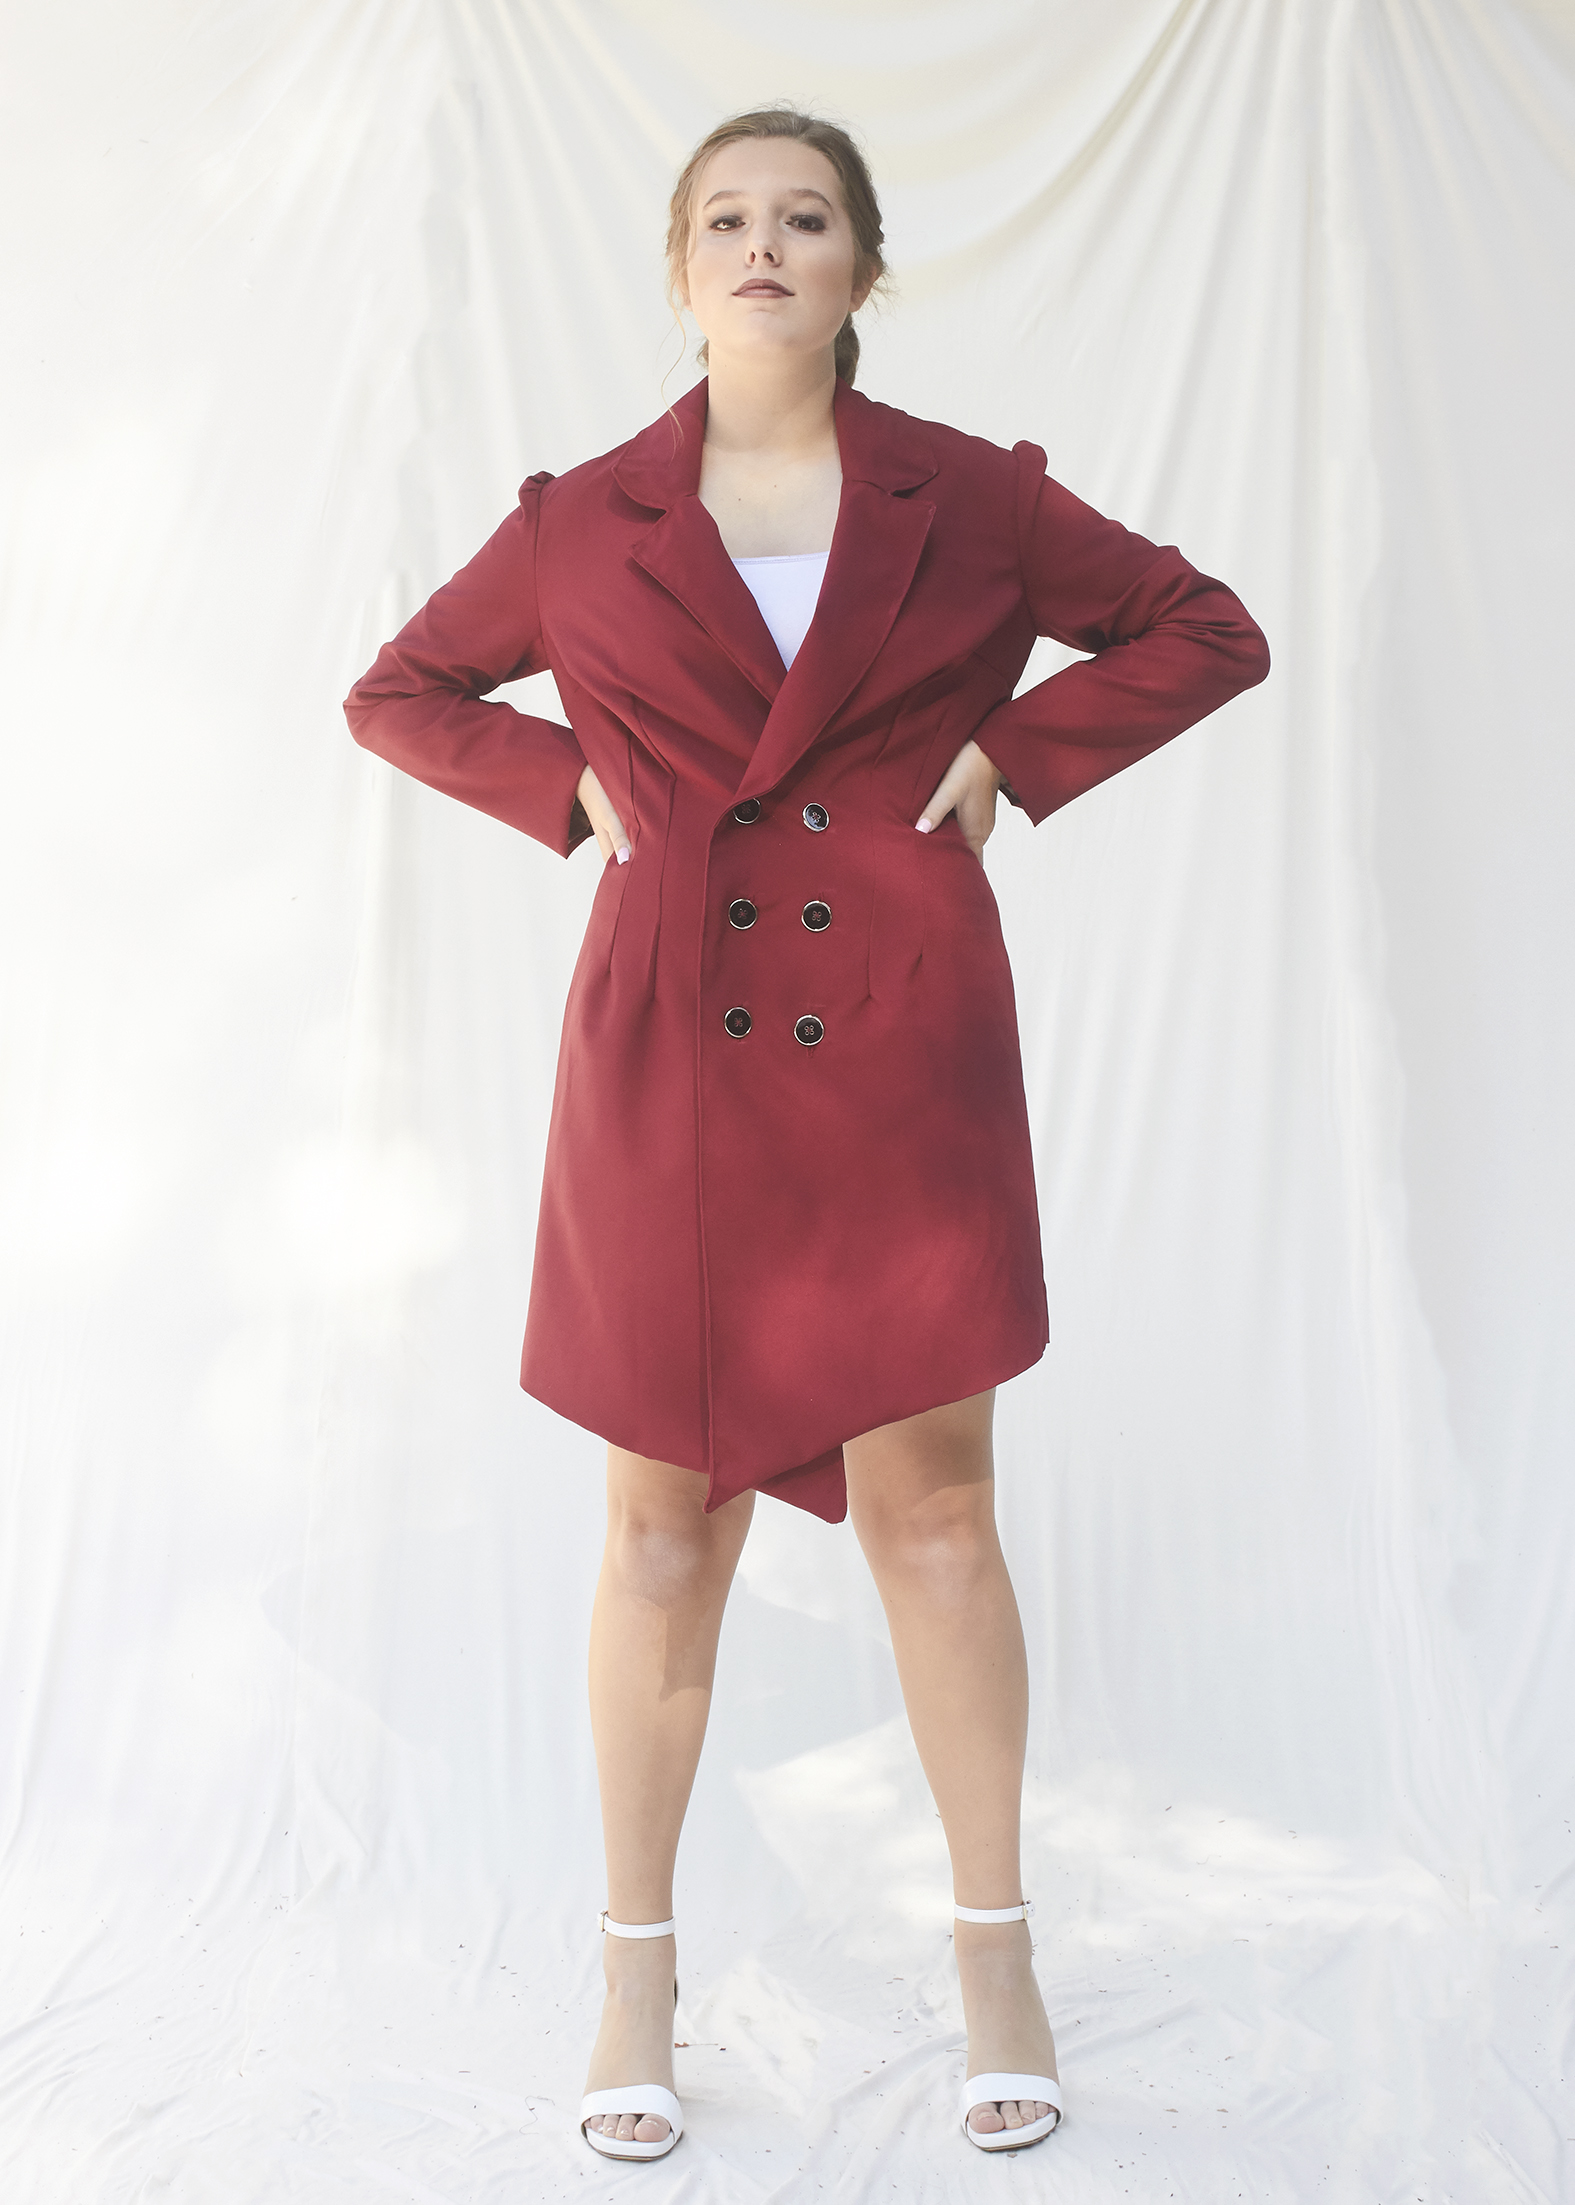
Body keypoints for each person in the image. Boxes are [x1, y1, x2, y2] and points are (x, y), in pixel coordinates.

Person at [344, 103, 1269, 2164]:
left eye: (808, 217)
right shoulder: (581, 519)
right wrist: (565, 787)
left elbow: (1207, 622)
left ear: (861, 267)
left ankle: (993, 1946)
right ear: (676, 271)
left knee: (934, 1517)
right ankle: (631, 1966)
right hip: (668, 1046)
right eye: (727, 221)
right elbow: (397, 688)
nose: (766, 246)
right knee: (663, 1525)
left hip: (895, 1033)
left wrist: (1015, 754)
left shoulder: (968, 499)